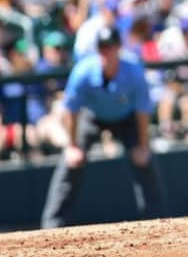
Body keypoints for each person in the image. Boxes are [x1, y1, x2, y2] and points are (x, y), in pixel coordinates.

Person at [41, 25, 167, 228]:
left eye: (111, 47)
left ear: (119, 48)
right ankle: (52, 226)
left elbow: (142, 111)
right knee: (70, 163)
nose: (106, 52)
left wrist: (143, 146)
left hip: (127, 119)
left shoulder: (133, 70)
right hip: (93, 116)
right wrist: (72, 145)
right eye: (102, 48)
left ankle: (158, 222)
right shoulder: (83, 71)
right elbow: (70, 110)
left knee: (145, 161)